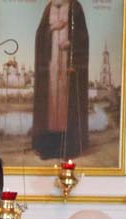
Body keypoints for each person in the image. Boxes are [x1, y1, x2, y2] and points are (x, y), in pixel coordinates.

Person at [31, 0, 89, 160]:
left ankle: (68, 147)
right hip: (51, 68)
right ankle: (48, 147)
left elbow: (83, 37)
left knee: (66, 105)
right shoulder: (48, 8)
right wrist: (52, 28)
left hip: (67, 68)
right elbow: (40, 35)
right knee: (50, 106)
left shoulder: (75, 7)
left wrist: (71, 43)